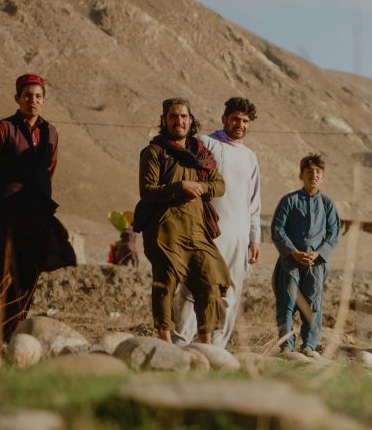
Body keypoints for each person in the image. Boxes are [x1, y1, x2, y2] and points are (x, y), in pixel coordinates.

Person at [0, 73, 76, 341]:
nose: (33, 100)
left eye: (38, 96)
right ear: (17, 98)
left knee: (28, 272)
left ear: (44, 100)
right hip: (4, 214)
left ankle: (16, 331)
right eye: (27, 95)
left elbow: (49, 169)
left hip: (35, 214)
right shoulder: (2, 129)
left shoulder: (50, 132)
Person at [136, 97, 230, 343]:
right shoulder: (154, 153)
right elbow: (147, 191)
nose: (179, 121)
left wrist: (200, 186)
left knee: (210, 280)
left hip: (197, 230)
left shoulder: (201, 153)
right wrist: (179, 187)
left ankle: (205, 343)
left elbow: (219, 185)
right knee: (165, 282)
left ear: (191, 120)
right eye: (173, 116)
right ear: (164, 120)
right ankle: (165, 341)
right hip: (165, 229)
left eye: (183, 116)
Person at [171, 97, 261, 348]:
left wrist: (255, 238)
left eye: (245, 121)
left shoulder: (250, 157)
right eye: (235, 118)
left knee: (230, 293)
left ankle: (215, 348)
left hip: (239, 236)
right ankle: (179, 343)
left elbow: (254, 202)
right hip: (206, 230)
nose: (239, 124)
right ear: (224, 119)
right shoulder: (204, 143)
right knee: (194, 287)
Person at [271, 153, 340, 358]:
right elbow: (278, 229)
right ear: (301, 175)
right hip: (290, 261)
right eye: (309, 172)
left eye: (318, 172)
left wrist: (318, 254)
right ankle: (286, 345)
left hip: (316, 264)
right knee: (287, 302)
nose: (314, 175)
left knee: (313, 304)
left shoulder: (327, 204)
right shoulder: (289, 201)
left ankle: (309, 345)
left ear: (323, 176)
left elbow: (333, 234)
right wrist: (293, 252)